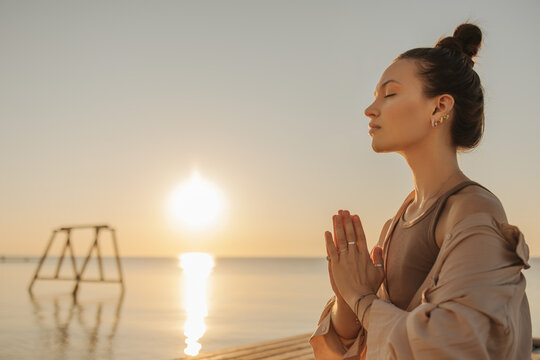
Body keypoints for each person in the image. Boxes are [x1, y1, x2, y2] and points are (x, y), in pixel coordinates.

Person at [309, 23, 532, 359]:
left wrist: (361, 299)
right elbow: (359, 339)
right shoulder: (397, 222)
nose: (370, 109)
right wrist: (347, 294)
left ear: (440, 107)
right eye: (374, 96)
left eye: (390, 93)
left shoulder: (474, 211)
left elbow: (455, 343)